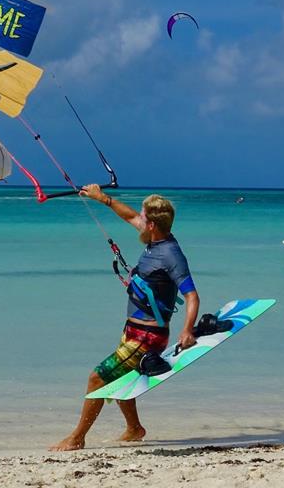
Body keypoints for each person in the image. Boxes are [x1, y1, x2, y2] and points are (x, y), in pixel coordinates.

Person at [49, 185, 200, 452]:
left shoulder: (171, 255)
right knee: (122, 380)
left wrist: (187, 330)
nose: (138, 220)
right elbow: (129, 216)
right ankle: (135, 429)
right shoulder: (156, 238)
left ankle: (77, 437)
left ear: (151, 224)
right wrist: (103, 198)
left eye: (144, 218)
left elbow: (192, 296)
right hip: (133, 332)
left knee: (98, 377)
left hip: (148, 337)